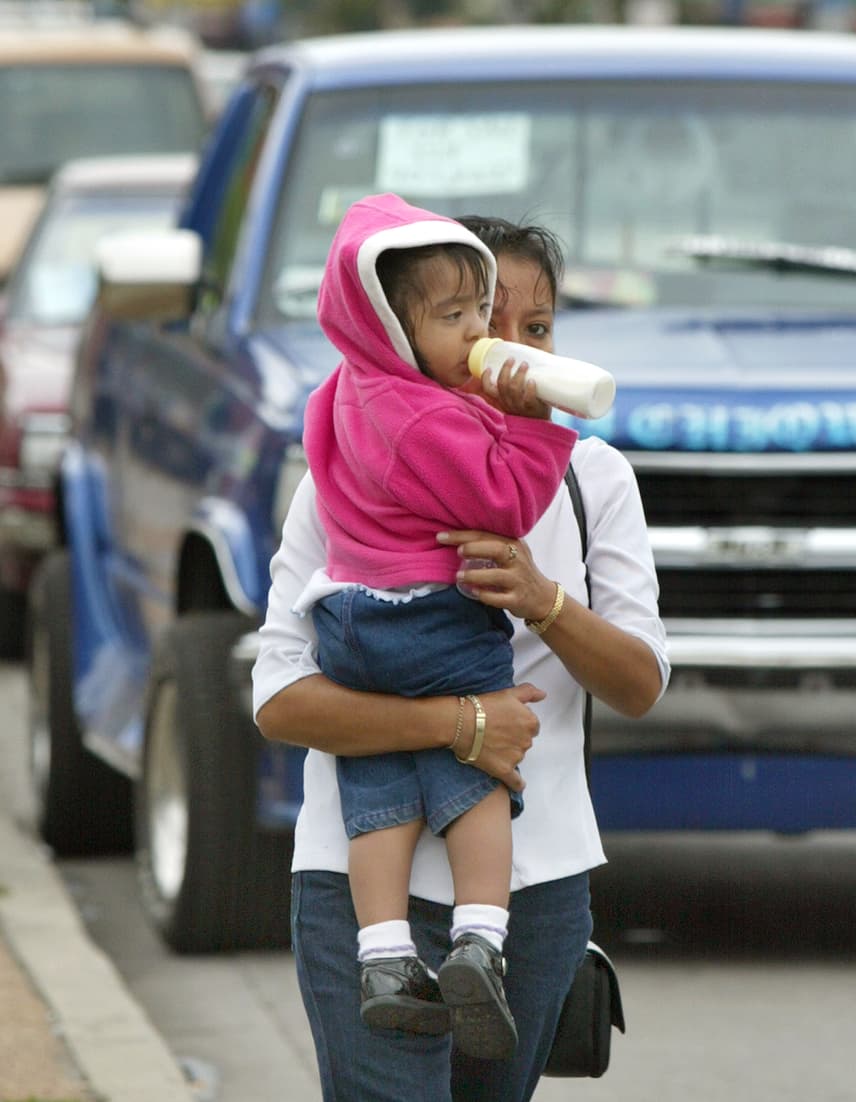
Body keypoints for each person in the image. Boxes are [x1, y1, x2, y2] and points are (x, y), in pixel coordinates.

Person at [253, 214, 668, 1102]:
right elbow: (280, 699)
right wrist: (461, 724)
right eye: (479, 320)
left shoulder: (594, 480)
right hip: (362, 891)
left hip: (534, 891)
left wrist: (543, 601)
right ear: (415, 336)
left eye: (537, 327)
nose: (507, 348)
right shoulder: (344, 476)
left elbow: (639, 682)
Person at [299, 194, 579, 1058]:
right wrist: (530, 425)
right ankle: (480, 940)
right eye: (457, 319)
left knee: (378, 789)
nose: (482, 337)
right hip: (430, 616)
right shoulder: (430, 416)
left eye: (482, 312)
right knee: (480, 778)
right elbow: (505, 502)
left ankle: (383, 954)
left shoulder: (345, 393)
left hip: (352, 616)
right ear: (393, 327)